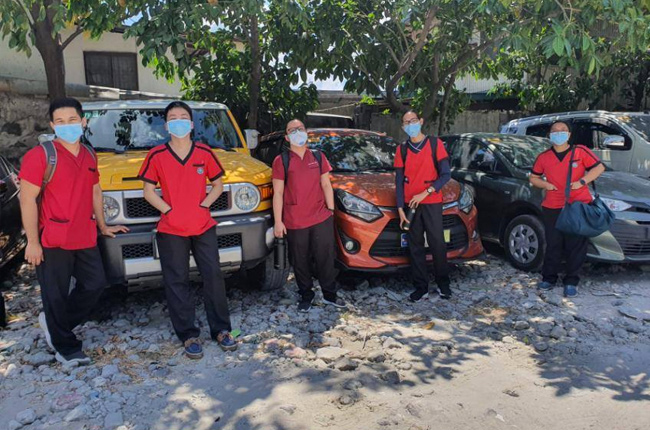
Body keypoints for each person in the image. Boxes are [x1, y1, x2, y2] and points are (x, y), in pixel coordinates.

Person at [18, 97, 128, 365]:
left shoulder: (89, 154)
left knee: (95, 284)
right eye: (60, 121)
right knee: (54, 295)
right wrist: (32, 242)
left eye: (72, 120)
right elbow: (27, 199)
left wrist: (103, 225)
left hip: (84, 235)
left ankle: (55, 323)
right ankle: (66, 349)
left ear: (83, 122)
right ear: (52, 125)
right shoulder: (41, 156)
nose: (66, 125)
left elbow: (94, 190)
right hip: (53, 238)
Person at [137, 101, 236, 359]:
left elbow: (218, 184)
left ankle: (221, 330)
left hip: (203, 226)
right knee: (177, 281)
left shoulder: (204, 152)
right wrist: (168, 210)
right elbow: (148, 191)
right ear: (166, 125)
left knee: (213, 275)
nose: (178, 121)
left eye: (183, 117)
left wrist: (204, 204)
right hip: (171, 229)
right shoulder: (157, 155)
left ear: (191, 124)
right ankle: (188, 334)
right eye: (173, 118)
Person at [272, 119, 346, 312]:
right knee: (300, 260)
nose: (297, 132)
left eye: (300, 128)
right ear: (286, 137)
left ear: (306, 132)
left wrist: (331, 211)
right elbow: (278, 193)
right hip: (295, 220)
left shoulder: (318, 157)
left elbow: (326, 184)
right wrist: (278, 221)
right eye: (292, 130)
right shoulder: (281, 161)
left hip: (320, 216)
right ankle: (306, 295)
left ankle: (330, 294)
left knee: (325, 257)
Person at [530, 121, 605, 297]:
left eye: (563, 130)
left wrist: (582, 181)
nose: (559, 133)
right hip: (552, 206)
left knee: (576, 245)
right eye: (554, 131)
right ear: (549, 135)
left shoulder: (580, 151)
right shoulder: (544, 157)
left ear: (569, 135)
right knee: (553, 243)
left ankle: (571, 281)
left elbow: (599, 167)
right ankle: (549, 278)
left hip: (577, 205)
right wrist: (545, 185)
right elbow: (533, 177)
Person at [394, 111, 452, 302]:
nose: (410, 125)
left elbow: (446, 175)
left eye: (413, 121)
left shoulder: (435, 144)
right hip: (410, 205)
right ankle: (421, 287)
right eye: (406, 123)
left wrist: (426, 192)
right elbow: (399, 181)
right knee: (415, 245)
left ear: (420, 121)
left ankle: (444, 284)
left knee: (437, 243)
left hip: (431, 202)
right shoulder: (402, 149)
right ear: (403, 127)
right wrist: (400, 209)